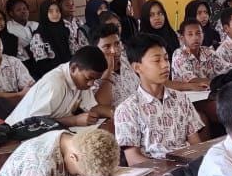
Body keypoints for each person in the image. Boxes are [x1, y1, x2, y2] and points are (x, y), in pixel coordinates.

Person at [113, 34, 204, 165]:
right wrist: (171, 169)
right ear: (137, 67)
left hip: (187, 168)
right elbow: (133, 159)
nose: (165, 65)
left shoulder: (181, 99)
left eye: (166, 59)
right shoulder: (127, 109)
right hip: (154, 173)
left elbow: (195, 144)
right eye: (157, 61)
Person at [4, 46, 110, 127]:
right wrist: (74, 121)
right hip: (16, 136)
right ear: (73, 68)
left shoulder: (81, 80)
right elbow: (35, 123)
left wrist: (113, 112)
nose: (91, 84)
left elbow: (91, 107)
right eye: (88, 79)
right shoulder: (55, 84)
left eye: (95, 80)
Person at [90, 23, 140, 109]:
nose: (114, 50)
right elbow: (101, 106)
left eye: (117, 44)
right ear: (96, 50)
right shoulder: (91, 74)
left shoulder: (127, 60)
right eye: (107, 47)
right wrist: (109, 71)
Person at [29, 0, 73, 78]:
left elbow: (74, 52)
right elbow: (41, 64)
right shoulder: (39, 36)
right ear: (44, 13)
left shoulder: (65, 30)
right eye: (50, 11)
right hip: (52, 75)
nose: (55, 14)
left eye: (57, 11)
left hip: (71, 70)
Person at [172, 19, 216, 84]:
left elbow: (221, 71)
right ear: (182, 38)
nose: (195, 38)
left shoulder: (208, 51)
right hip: (189, 91)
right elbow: (192, 80)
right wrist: (218, 82)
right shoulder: (179, 54)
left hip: (211, 89)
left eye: (198, 33)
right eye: (190, 34)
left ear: (203, 35)